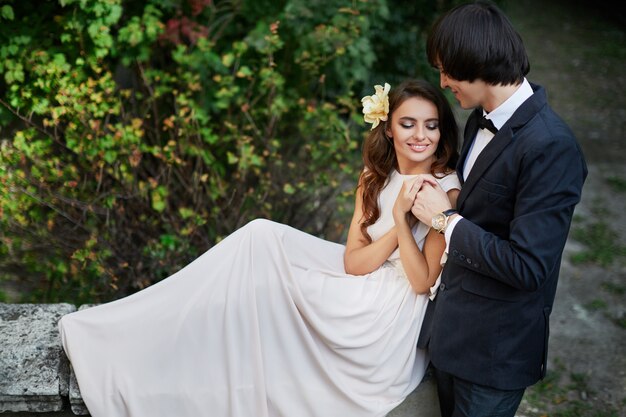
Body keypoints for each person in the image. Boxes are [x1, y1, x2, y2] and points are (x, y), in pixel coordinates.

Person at [58, 79, 461, 417]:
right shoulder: (374, 177)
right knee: (260, 236)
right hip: (364, 275)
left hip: (388, 310)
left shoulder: (444, 188)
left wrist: (407, 224)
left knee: (266, 292)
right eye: (408, 124)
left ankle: (206, 360)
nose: (420, 136)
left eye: (431, 125)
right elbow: (354, 263)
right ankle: (148, 333)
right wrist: (397, 219)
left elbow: (422, 281)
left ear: (442, 130)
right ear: (388, 128)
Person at [409, 2, 588, 417]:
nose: (443, 82)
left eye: (446, 70)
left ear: (473, 62)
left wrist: (444, 220)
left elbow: (527, 266)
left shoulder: (552, 148)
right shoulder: (479, 118)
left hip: (494, 356)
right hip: (448, 333)